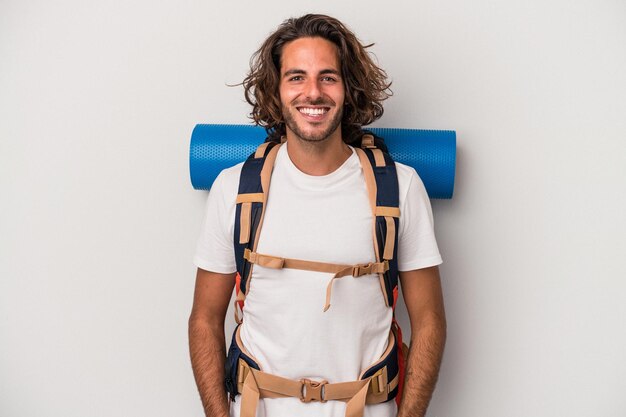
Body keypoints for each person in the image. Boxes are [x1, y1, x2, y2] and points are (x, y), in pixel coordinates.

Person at [189, 14, 446, 417]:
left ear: (348, 88)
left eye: (328, 77)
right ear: (276, 89)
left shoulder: (401, 187)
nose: (313, 92)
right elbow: (204, 318)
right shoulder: (234, 188)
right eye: (296, 77)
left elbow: (429, 320)